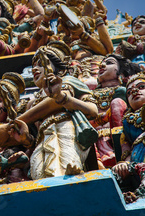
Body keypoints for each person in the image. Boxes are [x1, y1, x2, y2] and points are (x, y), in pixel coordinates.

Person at [10, 43, 99, 179]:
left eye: (41, 64)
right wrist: (25, 139)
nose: (35, 69)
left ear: (60, 70)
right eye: (33, 66)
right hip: (41, 140)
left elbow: (93, 111)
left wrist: (62, 97)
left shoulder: (68, 81)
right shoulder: (31, 104)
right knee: (39, 175)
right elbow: (31, 140)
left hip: (66, 130)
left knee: (65, 167)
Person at [90, 54, 140, 169]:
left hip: (117, 136)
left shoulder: (124, 91)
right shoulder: (90, 94)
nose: (102, 65)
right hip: (95, 137)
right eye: (102, 63)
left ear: (121, 73)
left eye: (109, 63)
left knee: (117, 103)